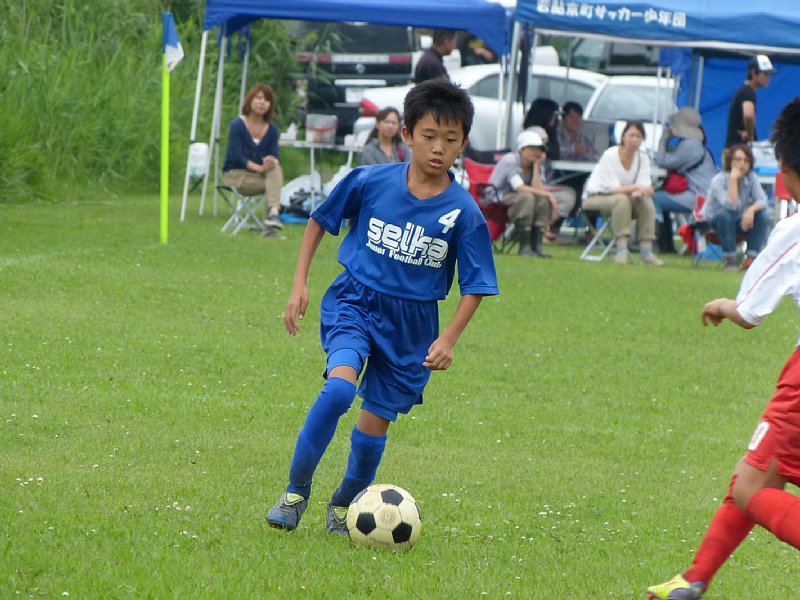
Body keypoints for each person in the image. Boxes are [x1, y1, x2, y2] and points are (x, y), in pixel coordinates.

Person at [265, 78, 499, 535]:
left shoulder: (465, 213)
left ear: (463, 144)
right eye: (429, 135)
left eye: (450, 140)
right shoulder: (371, 180)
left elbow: (476, 286)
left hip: (412, 325)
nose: (439, 148)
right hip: (356, 300)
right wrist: (299, 283)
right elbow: (319, 221)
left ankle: (344, 507)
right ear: (407, 134)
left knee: (373, 427)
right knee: (338, 390)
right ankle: (294, 495)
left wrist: (448, 339)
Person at [645, 97, 800, 600]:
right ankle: (694, 578)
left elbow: (750, 312)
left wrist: (723, 304)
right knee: (754, 474)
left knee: (753, 489)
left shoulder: (794, 232)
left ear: (786, 168)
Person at [584, 121, 663, 266]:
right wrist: (636, 187)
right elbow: (612, 188)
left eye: (638, 136)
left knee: (646, 203)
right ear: (623, 137)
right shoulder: (610, 155)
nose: (634, 140)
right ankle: (621, 251)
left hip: (626, 197)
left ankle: (646, 252)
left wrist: (640, 192)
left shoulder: (643, 158)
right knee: (621, 200)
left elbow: (644, 184)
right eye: (631, 135)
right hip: (596, 197)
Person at [652, 107, 717, 252]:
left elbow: (662, 161)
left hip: (699, 197)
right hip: (702, 194)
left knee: (654, 198)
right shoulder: (695, 143)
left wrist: (663, 139)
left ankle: (656, 240)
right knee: (660, 197)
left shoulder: (690, 145)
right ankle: (665, 243)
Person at [222, 83, 284, 235]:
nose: (262, 102)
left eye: (266, 100)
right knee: (274, 184)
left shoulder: (272, 130)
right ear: (250, 100)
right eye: (259, 98)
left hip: (259, 177)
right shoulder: (237, 125)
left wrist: (271, 161)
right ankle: (271, 221)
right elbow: (236, 157)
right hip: (236, 175)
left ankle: (273, 214)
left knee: (275, 169)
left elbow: (275, 155)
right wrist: (260, 168)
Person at [487, 129, 560, 257]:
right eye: (531, 148)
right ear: (521, 149)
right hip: (497, 200)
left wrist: (537, 166)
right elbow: (519, 187)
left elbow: (537, 190)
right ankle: (524, 247)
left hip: (519, 200)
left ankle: (536, 247)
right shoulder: (510, 160)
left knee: (542, 200)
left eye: (539, 149)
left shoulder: (537, 163)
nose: (536, 152)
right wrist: (548, 194)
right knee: (527, 197)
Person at [700, 143, 768, 271]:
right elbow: (731, 206)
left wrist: (750, 210)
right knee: (726, 214)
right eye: (738, 159)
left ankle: (751, 259)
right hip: (714, 222)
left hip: (738, 221)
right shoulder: (719, 180)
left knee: (762, 215)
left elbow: (763, 199)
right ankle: (731, 260)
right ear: (730, 161)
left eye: (746, 160)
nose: (742, 163)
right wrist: (733, 180)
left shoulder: (751, 178)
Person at [555, 100, 599, 236]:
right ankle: (554, 228)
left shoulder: (585, 139)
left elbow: (596, 158)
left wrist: (585, 153)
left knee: (593, 190)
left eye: (578, 117)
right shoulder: (556, 136)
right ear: (564, 118)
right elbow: (555, 152)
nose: (575, 121)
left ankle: (590, 231)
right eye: (571, 117)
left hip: (582, 176)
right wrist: (573, 149)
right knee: (573, 191)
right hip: (559, 176)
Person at [725, 55, 775, 150]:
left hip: (733, 149)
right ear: (753, 73)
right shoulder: (748, 92)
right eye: (765, 74)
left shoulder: (744, 90)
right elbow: (748, 115)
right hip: (738, 150)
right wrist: (751, 136)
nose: (769, 77)